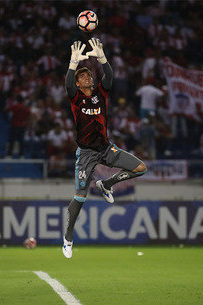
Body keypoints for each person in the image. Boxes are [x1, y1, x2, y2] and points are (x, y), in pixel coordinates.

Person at [62, 39, 147, 259]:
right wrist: (73, 65)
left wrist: (102, 58)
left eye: (88, 74)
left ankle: (106, 184)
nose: (87, 77)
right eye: (82, 76)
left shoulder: (101, 93)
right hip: (87, 154)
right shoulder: (76, 98)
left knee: (140, 168)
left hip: (106, 148)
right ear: (78, 84)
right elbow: (68, 84)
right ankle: (68, 238)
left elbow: (109, 77)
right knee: (80, 197)